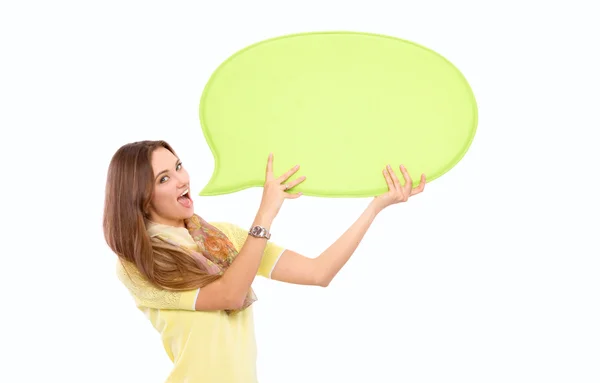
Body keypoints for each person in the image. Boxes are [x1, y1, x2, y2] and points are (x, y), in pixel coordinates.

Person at [103, 140, 426, 382]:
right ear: (140, 198)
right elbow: (228, 295)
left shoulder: (225, 237)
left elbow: (318, 272)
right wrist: (266, 213)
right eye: (163, 179)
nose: (181, 179)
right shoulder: (138, 262)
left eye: (178, 166)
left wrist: (375, 206)